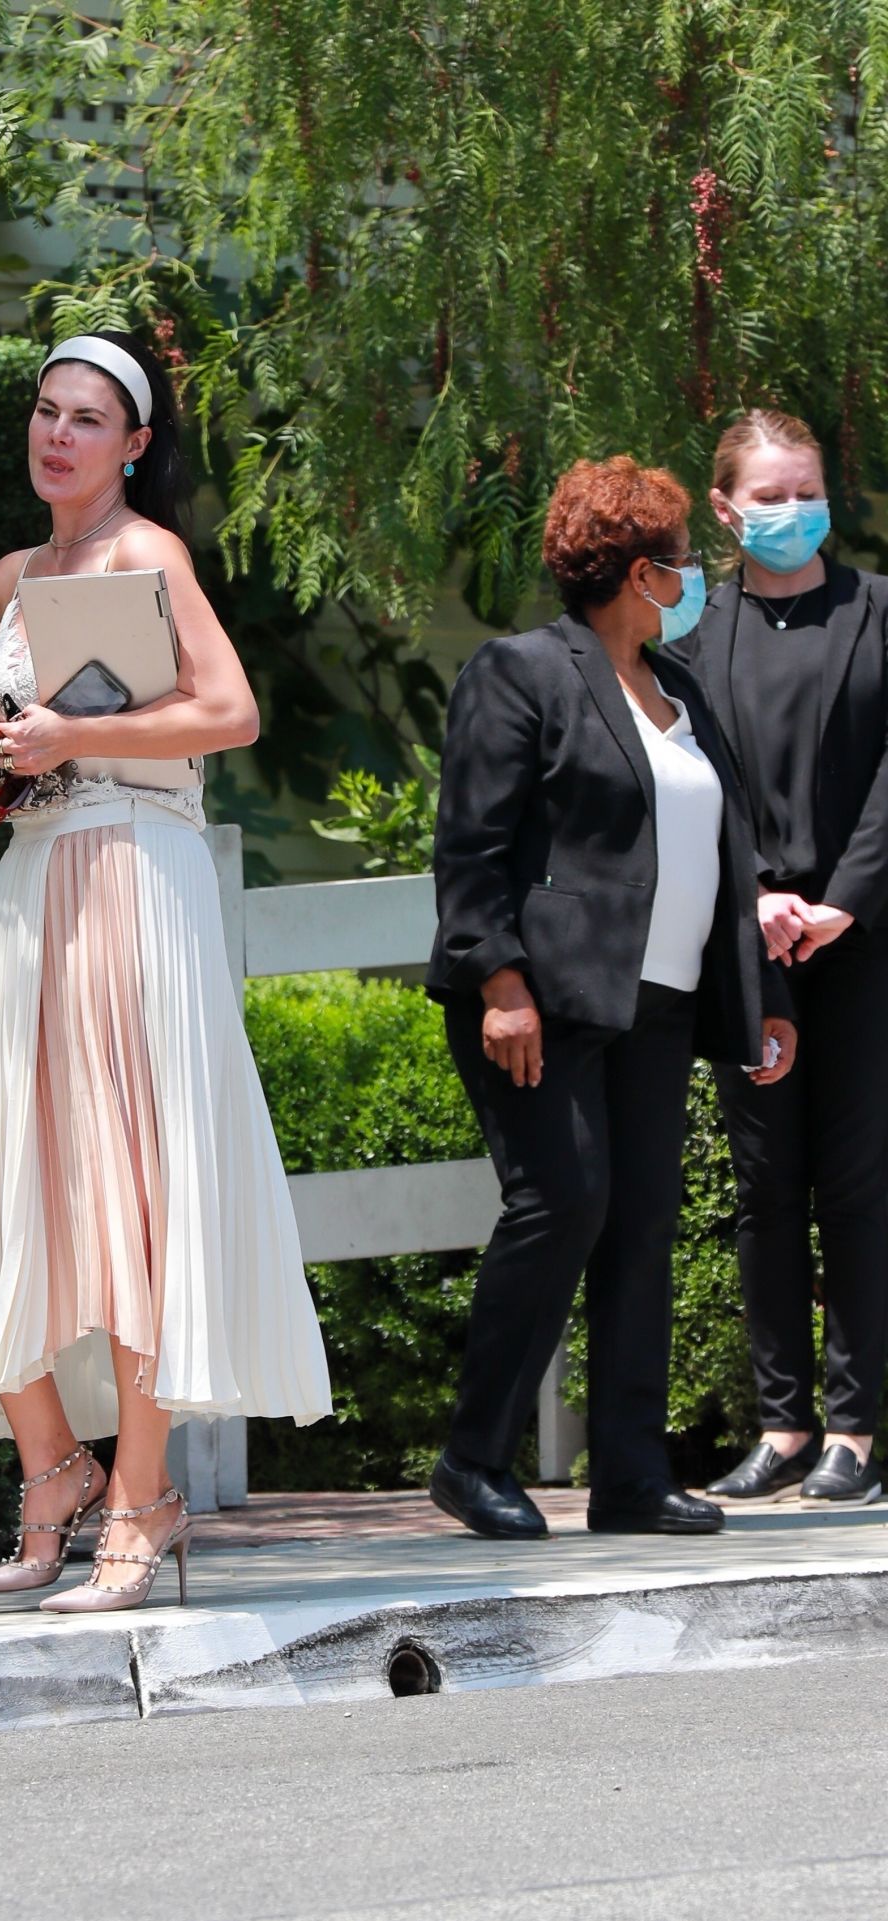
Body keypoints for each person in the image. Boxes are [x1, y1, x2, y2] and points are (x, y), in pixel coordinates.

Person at [0, 329, 331, 1611]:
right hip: (36, 881)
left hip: (135, 878)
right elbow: (32, 765)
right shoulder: (16, 575)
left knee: (132, 1190)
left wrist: (78, 732)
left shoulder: (149, 553)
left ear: (134, 445)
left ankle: (143, 1503)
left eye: (86, 418)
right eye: (45, 411)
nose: (56, 433)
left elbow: (228, 715)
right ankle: (53, 1463)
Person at [425, 455, 794, 1540]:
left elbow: (729, 851)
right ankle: (470, 1455)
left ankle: (629, 1477)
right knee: (563, 1200)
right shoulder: (521, 672)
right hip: (543, 996)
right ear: (640, 572)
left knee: (639, 1225)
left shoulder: (678, 692)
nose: (692, 581)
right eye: (681, 564)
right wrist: (498, 980)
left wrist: (759, 988)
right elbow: (470, 844)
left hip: (662, 1003)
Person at [672, 410, 888, 1508]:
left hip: (863, 942)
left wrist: (841, 901)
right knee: (763, 1191)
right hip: (750, 943)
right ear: (724, 509)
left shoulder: (877, 611)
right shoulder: (693, 640)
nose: (788, 511)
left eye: (802, 488)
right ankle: (782, 1424)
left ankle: (852, 1429)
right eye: (764, 495)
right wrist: (755, 893)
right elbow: (691, 787)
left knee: (854, 1186)